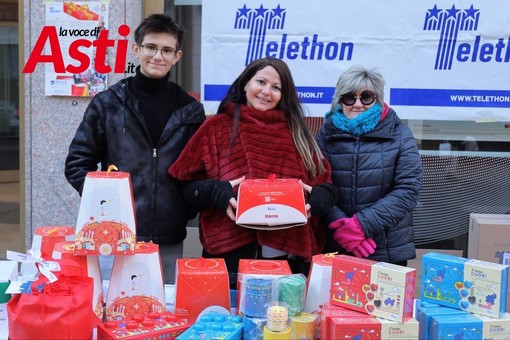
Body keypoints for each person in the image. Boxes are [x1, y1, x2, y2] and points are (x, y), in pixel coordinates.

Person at [169, 57, 336, 287]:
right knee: (227, 319)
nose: (267, 91)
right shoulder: (216, 127)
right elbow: (185, 185)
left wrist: (321, 197)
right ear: (245, 83)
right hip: (228, 256)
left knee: (280, 322)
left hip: (287, 258)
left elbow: (324, 184)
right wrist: (213, 191)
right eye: (261, 82)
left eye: (276, 87)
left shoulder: (297, 132)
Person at [65, 14, 206, 284]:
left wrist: (185, 209)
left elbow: (198, 170)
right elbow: (77, 164)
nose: (158, 56)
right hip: (114, 236)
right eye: (151, 47)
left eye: (166, 50)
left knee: (162, 311)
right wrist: (105, 206)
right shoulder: (108, 103)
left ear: (177, 56)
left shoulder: (190, 110)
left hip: (169, 234)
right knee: (113, 311)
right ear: (136, 49)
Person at [316, 65, 423, 266]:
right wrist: (340, 227)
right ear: (340, 100)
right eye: (349, 97)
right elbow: (318, 184)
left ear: (378, 99)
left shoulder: (400, 134)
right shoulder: (325, 134)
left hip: (386, 249)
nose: (357, 104)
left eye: (366, 97)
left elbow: (408, 189)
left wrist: (361, 226)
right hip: (337, 246)